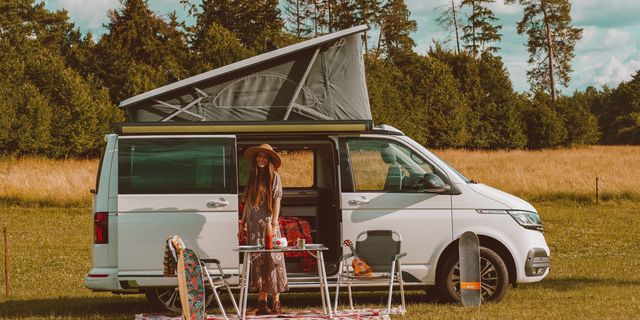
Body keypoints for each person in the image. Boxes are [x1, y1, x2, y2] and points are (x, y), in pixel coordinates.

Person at [238, 143, 288, 315]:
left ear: (269, 160)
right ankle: (261, 303)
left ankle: (276, 303)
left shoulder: (274, 177)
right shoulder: (254, 177)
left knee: (272, 262)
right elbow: (248, 204)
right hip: (254, 228)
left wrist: (274, 224)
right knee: (259, 262)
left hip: (267, 226)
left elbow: (277, 201)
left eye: (265, 157)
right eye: (259, 156)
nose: (261, 159)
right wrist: (242, 223)